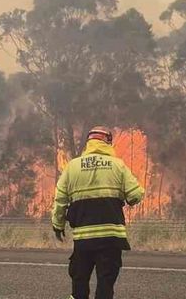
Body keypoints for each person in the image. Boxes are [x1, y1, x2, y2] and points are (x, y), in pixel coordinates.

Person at [51, 126, 144, 299]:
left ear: (89, 143)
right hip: (111, 238)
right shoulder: (118, 165)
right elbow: (135, 195)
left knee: (79, 281)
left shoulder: (72, 167)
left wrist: (57, 224)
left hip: (83, 240)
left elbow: (60, 200)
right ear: (108, 142)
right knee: (105, 283)